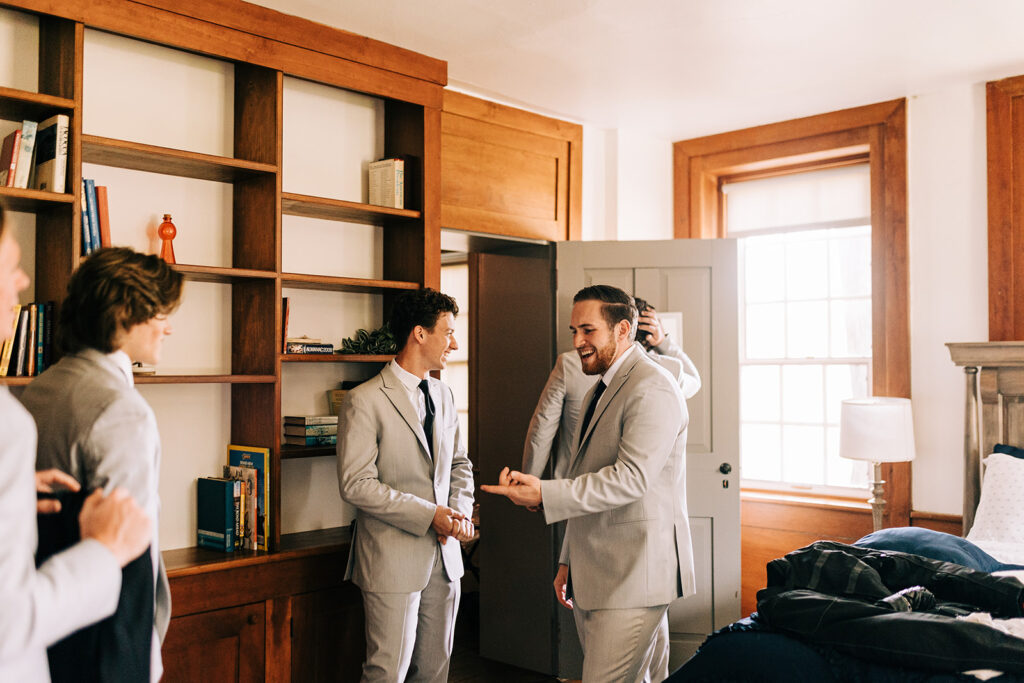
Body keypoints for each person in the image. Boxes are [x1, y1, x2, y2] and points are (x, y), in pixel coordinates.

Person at [483, 284, 695, 683]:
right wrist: (569, 559)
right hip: (597, 567)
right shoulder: (603, 385)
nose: (577, 341)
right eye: (574, 331)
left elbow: (630, 480)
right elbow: (586, 475)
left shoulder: (653, 387)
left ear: (623, 330)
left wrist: (545, 491)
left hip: (635, 575)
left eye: (588, 330)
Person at [0, 204, 153, 680]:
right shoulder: (122, 410)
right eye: (9, 266)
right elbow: (8, 624)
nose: (23, 282)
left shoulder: (39, 385)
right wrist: (105, 554)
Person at [20, 246, 183, 682]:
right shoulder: (120, 409)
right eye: (160, 313)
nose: (168, 327)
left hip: (46, 630)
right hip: (104, 641)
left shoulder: (38, 389)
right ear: (124, 314)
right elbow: (130, 554)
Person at [337, 288, 475, 682]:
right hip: (391, 560)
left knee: (435, 673)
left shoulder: (445, 395)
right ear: (419, 333)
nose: (455, 343)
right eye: (447, 332)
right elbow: (356, 484)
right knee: (386, 673)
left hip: (446, 560)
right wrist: (431, 514)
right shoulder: (364, 400)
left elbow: (461, 465)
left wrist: (460, 512)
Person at [522, 295, 700, 479]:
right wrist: (664, 342)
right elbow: (694, 381)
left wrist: (529, 479)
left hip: (570, 488)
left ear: (621, 328)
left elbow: (542, 427)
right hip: (622, 494)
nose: (577, 341)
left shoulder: (569, 364)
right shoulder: (665, 371)